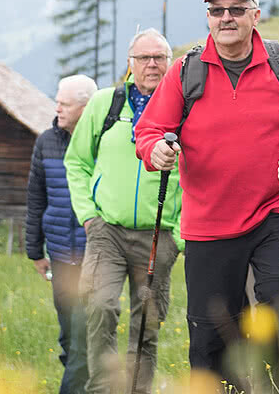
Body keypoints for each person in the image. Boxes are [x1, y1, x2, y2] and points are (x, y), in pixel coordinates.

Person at [135, 0, 279, 391]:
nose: (226, 17)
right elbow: (149, 129)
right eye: (217, 10)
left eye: (236, 9)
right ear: (208, 18)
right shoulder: (186, 71)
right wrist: (155, 149)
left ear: (255, 15)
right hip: (210, 221)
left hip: (275, 210)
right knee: (212, 335)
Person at [65, 29, 182, 394]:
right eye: (143, 58)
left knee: (146, 322)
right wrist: (88, 215)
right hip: (107, 231)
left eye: (159, 57)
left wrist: (178, 233)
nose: (152, 64)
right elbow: (77, 162)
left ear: (169, 62)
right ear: (129, 64)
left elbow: (202, 174)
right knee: (100, 307)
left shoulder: (184, 108)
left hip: (159, 234)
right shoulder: (105, 104)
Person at [26, 73, 98, 394]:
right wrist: (34, 251)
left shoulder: (101, 142)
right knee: (69, 334)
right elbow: (35, 197)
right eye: (57, 102)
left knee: (83, 338)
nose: (58, 109)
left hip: (93, 255)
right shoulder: (46, 142)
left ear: (85, 107)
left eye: (65, 104)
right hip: (59, 255)